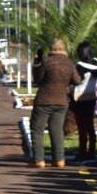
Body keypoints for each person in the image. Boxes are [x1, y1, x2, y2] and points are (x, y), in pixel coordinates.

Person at [28, 39, 80, 168]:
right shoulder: (69, 63)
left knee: (37, 130)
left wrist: (36, 65)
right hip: (61, 101)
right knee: (57, 130)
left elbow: (38, 80)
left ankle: (38, 160)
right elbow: (77, 81)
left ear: (51, 49)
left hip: (43, 101)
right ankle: (59, 159)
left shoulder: (47, 62)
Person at [72, 42, 97, 162]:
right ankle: (92, 152)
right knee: (90, 126)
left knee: (82, 128)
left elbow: (75, 81)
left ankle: (82, 153)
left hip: (79, 99)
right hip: (92, 97)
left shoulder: (79, 67)